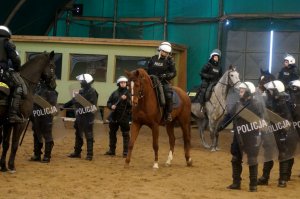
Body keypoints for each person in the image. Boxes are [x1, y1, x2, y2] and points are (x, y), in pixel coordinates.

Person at [258, 80, 298, 188]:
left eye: (270, 91)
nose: (268, 92)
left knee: (283, 155)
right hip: (272, 132)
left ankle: (282, 180)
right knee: (268, 154)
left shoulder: (285, 103)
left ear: (276, 91)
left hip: (283, 133)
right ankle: (265, 177)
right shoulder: (272, 102)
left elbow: (290, 119)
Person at [223, 81, 262, 192]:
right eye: (240, 89)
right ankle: (236, 183)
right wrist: (220, 126)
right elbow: (228, 116)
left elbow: (261, 121)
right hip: (238, 136)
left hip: (250, 136)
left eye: (242, 90)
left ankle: (253, 185)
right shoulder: (237, 104)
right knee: (235, 159)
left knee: (252, 159)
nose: (240, 91)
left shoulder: (255, 105)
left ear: (248, 92)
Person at [64, 74, 98, 161]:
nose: (80, 83)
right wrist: (64, 106)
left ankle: (89, 154)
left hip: (88, 117)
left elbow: (91, 105)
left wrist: (80, 101)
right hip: (80, 116)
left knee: (89, 135)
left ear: (86, 82)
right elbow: (74, 100)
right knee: (78, 134)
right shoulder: (81, 91)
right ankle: (77, 152)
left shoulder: (92, 92)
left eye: (82, 81)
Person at [0, 25, 25, 123]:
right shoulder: (7, 43)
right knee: (18, 87)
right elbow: (16, 59)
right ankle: (12, 115)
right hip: (2, 73)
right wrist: (17, 69)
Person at [30, 77, 58, 163]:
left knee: (47, 135)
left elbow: (51, 104)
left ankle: (47, 156)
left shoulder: (52, 92)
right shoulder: (38, 89)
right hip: (37, 115)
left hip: (46, 116)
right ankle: (37, 154)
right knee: (36, 134)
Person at [147, 41, 176, 122]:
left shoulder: (170, 61)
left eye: (166, 52)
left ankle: (168, 113)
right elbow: (147, 69)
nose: (164, 53)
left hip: (163, 81)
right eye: (163, 51)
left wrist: (165, 76)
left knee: (168, 95)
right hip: (151, 79)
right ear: (160, 50)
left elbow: (174, 73)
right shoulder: (153, 58)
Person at [104, 76, 132, 157]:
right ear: (118, 84)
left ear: (126, 83)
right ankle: (111, 150)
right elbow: (108, 102)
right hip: (114, 116)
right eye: (121, 82)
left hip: (124, 116)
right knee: (112, 133)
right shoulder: (114, 93)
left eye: (124, 82)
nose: (123, 84)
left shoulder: (129, 93)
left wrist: (126, 99)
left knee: (126, 134)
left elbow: (132, 105)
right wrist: (111, 106)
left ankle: (126, 152)